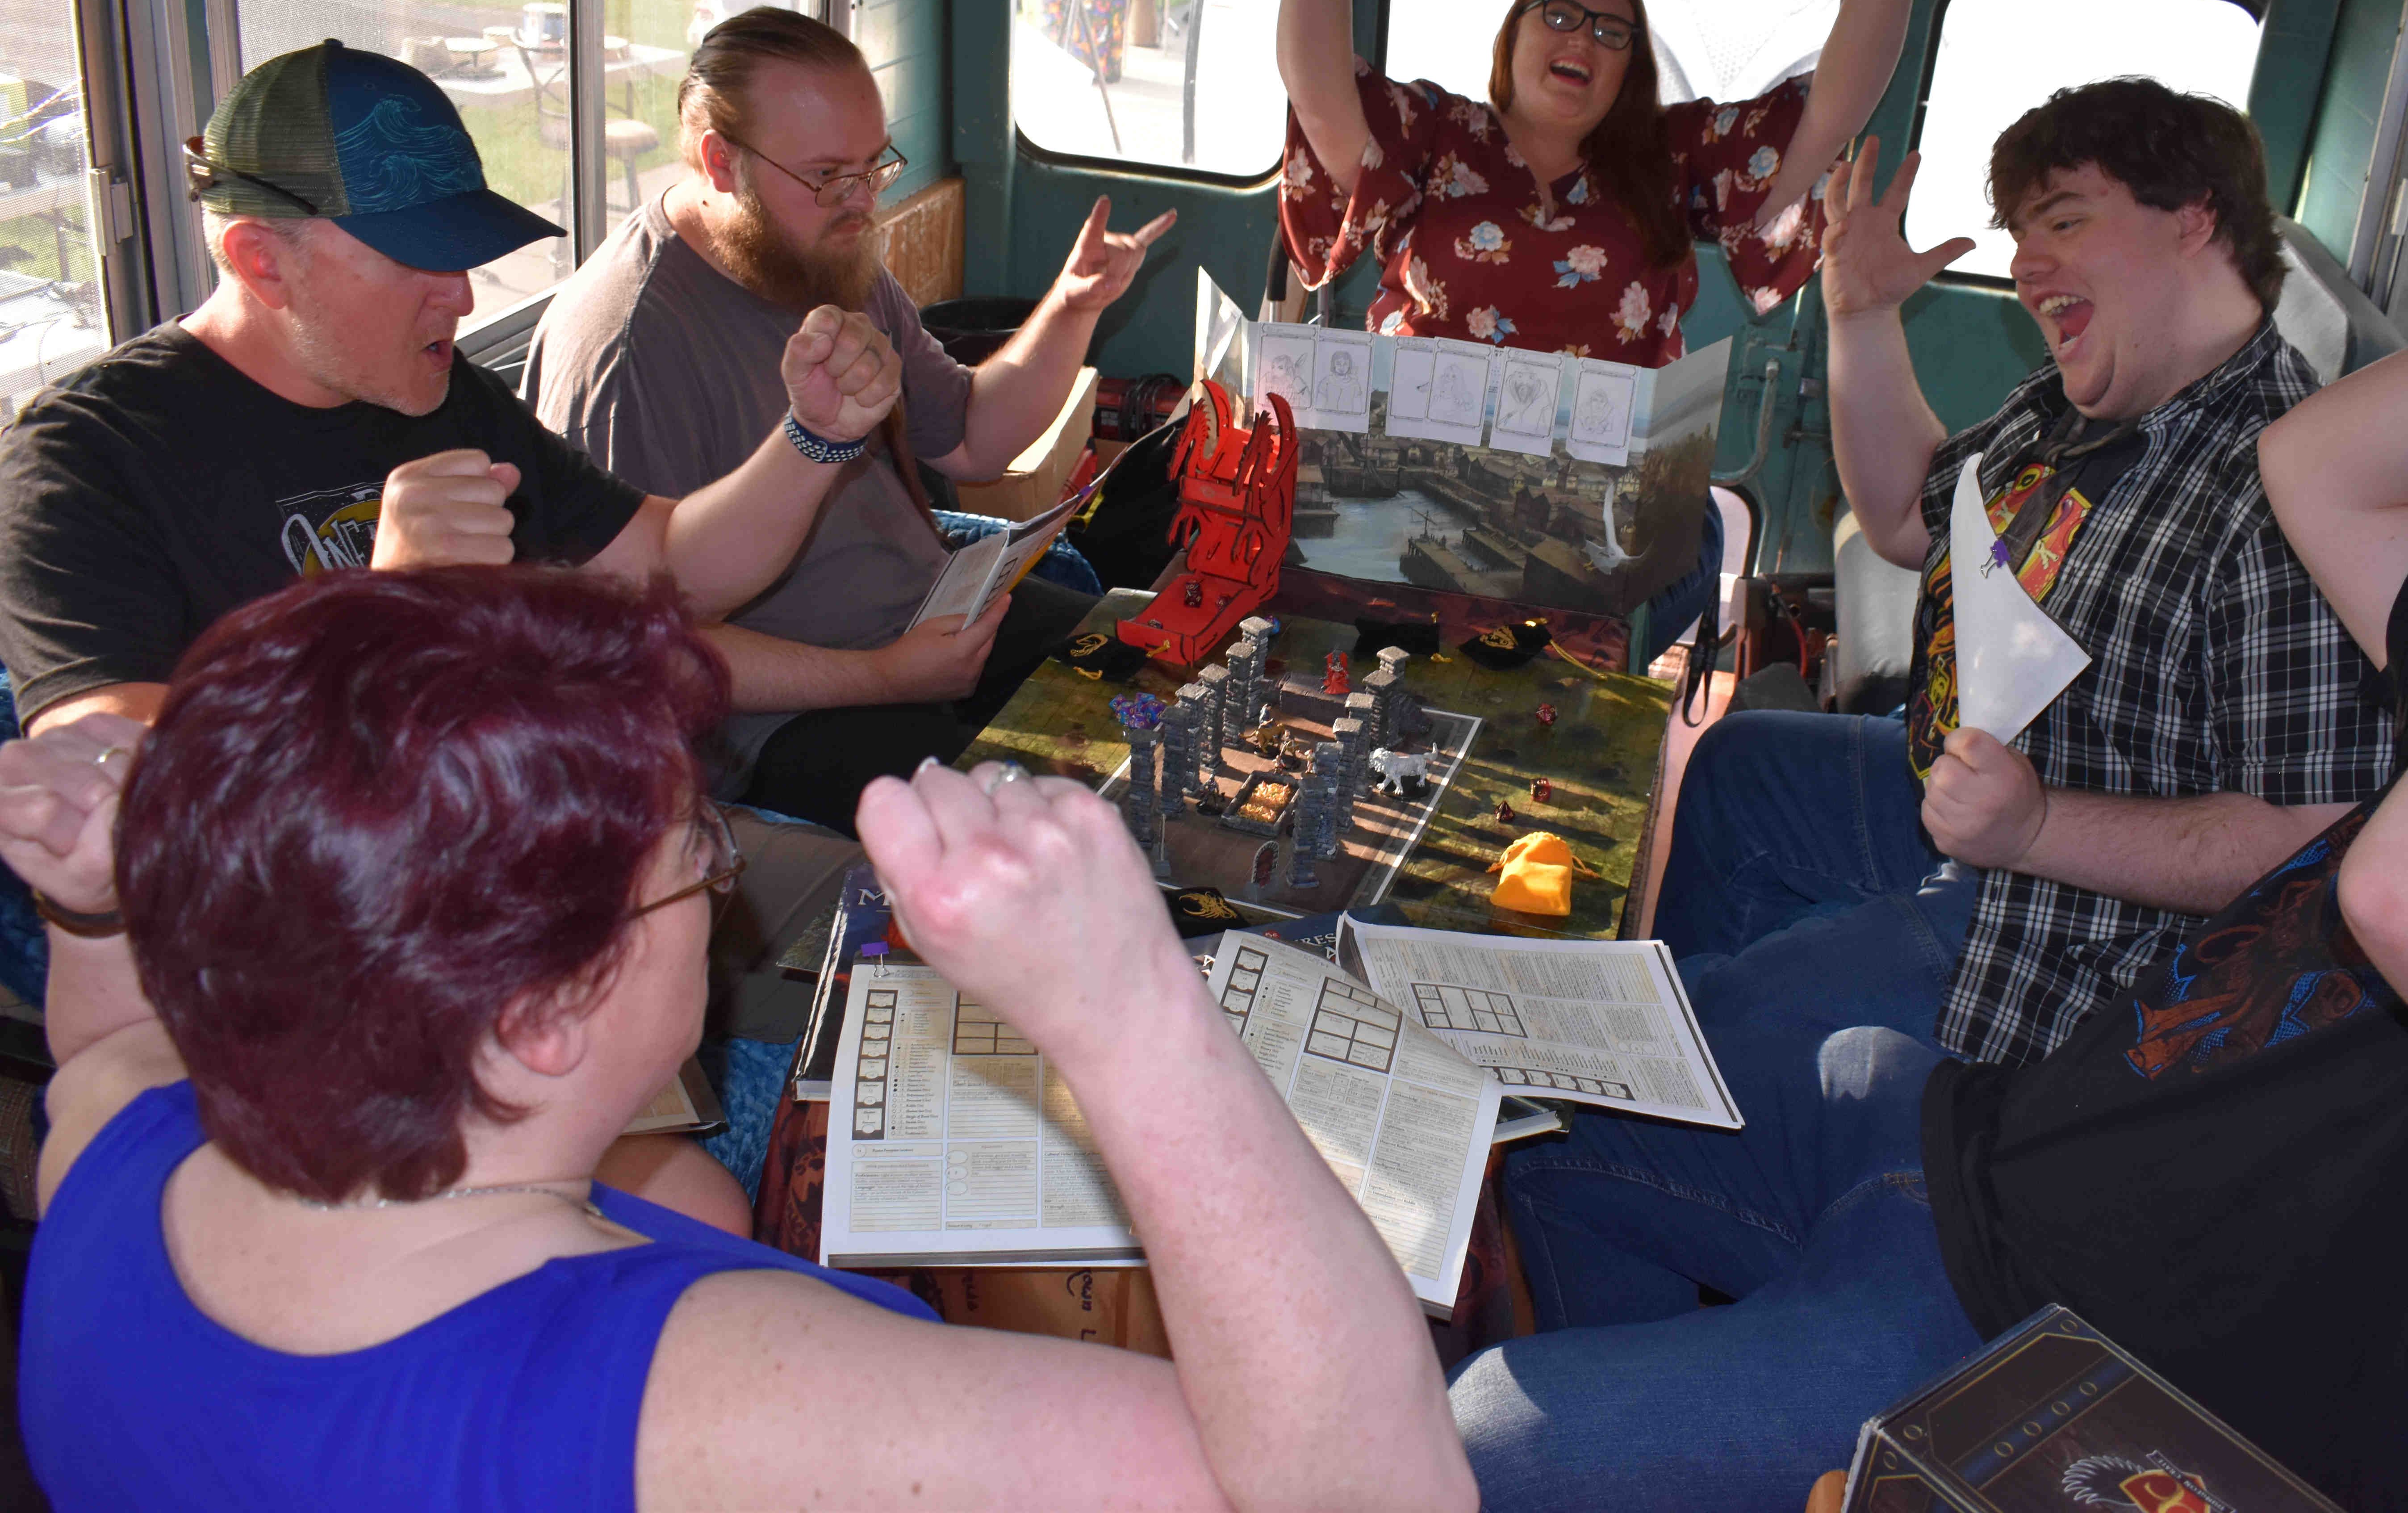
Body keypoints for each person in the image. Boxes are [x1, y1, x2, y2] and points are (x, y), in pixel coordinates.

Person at [1447, 232, 2408, 1513]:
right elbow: (2327, 464)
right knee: (1527, 1101)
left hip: (2057, 1359)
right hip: (1958, 1132)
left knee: (1483, 1443)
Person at [15, 566, 1476, 1513]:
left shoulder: (107, 1150)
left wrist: (92, 915)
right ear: (533, 1022)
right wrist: (1133, 1015)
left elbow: (107, 1046)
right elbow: (1379, 1492)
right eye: (692, 859)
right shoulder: (717, 1408)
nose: (716, 876)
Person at [0, 39, 902, 1218]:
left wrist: (815, 438)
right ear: (258, 257)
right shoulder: (89, 456)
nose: (464, 299)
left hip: (542, 853)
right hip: (348, 963)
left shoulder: (433, 392)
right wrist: (374, 615)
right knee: (736, 1177)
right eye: (418, 263)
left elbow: (670, 571)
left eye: (465, 255)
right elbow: (108, 775)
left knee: (895, 934)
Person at [1652, 81, 2393, 1068]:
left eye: (2066, 221)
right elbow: (1910, 517)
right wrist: (1861, 315)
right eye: (2020, 231)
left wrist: (2039, 827)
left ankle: (1735, 1082)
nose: (2025, 263)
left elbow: (2312, 841)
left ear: (2194, 220)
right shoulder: (2092, 392)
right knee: (1742, 773)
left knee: (1702, 1027)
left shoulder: (2289, 488)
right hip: (1977, 795)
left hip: (2075, 922)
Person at [528, 7, 1176, 834]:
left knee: (1155, 669)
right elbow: (639, 656)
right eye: (831, 175)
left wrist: (1073, 308)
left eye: (875, 168)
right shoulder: (628, 349)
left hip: (922, 627)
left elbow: (974, 437)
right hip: (775, 720)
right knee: (1023, 838)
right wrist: (884, 676)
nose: (863, 203)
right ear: (719, 162)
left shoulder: (818, 252)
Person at [1275, 0, 1944, 366]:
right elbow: (1318, 90)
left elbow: (1828, 114)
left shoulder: (1668, 154)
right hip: (1408, 474)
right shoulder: (1435, 132)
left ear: (1631, 70)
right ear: (1512, 36)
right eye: (1559, 15)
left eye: (1610, 32)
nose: (1583, 40)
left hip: (1599, 501)